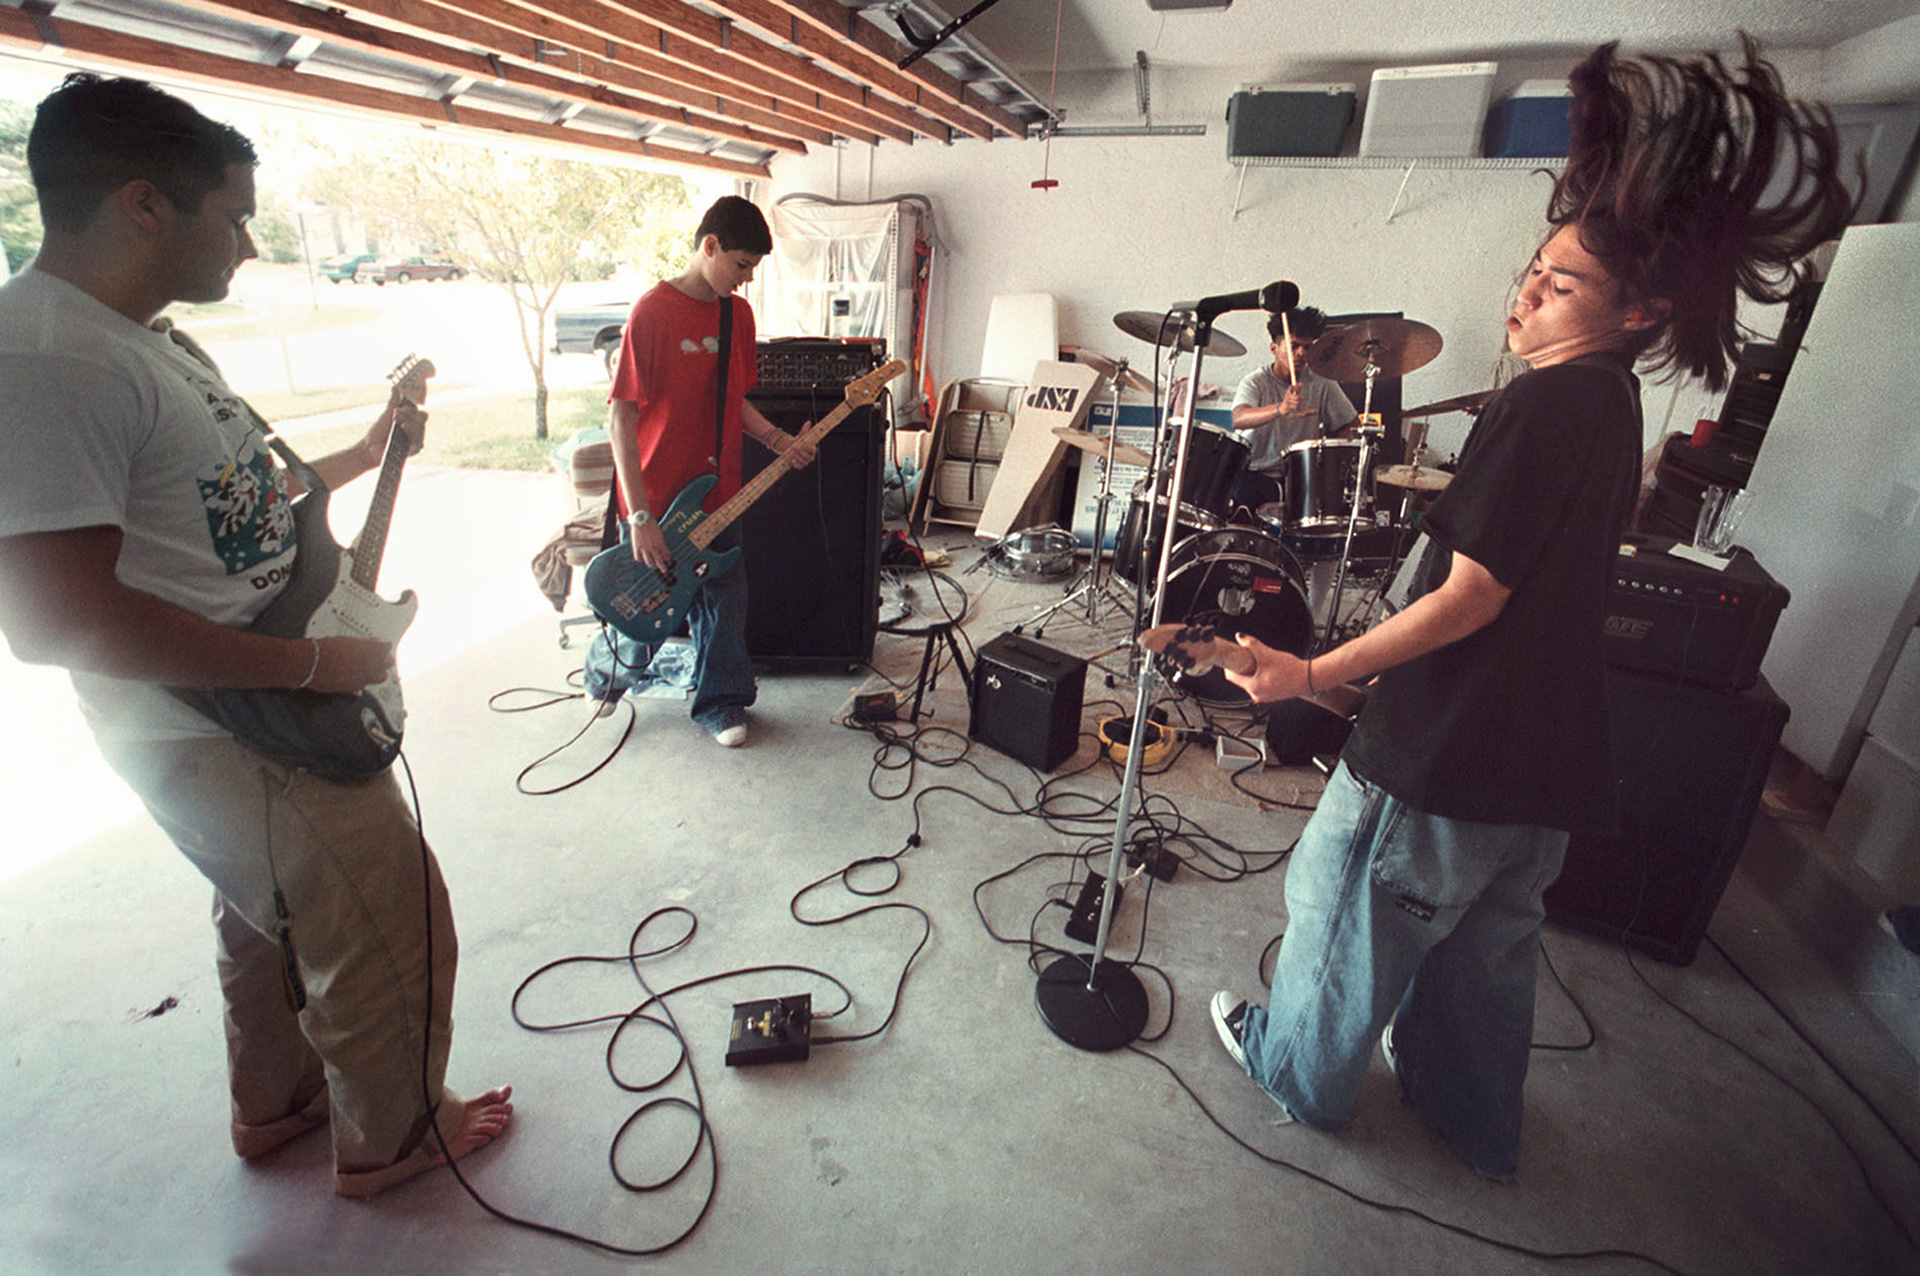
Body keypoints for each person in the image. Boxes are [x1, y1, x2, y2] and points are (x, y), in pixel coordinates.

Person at [1207, 38, 1853, 1181]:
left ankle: (1293, 1073)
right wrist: (1358, 673)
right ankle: (1467, 1117)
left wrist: (1311, 675)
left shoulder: (1546, 405)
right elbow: (1520, 605)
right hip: (1543, 769)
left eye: (1559, 286)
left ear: (1642, 309)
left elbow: (1468, 598)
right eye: (1532, 271)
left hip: (1443, 766)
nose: (1525, 296)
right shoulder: (1612, 411)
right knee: (1479, 967)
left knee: (1338, 915)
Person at [0, 74, 512, 1197]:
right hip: (227, 723)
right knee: (388, 918)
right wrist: (318, 665)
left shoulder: (139, 336)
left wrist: (376, 445)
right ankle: (397, 1140)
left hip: (250, 707)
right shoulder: (49, 357)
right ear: (144, 203)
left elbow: (228, 502)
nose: (247, 239)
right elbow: (54, 623)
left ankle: (276, 1104)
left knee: (273, 915)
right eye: (231, 215)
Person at [581, 196, 815, 746]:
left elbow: (731, 401)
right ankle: (604, 676)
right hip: (655, 497)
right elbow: (620, 417)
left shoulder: (739, 316)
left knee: (724, 601)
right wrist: (639, 514)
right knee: (646, 608)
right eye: (740, 264)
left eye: (754, 268)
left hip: (718, 493)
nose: (747, 279)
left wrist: (778, 440)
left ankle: (721, 703)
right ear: (709, 247)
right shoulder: (652, 312)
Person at [1228, 306, 1360, 512]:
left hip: (1299, 477)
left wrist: (1328, 459)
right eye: (1294, 346)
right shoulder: (1255, 382)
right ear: (1274, 348)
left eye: (1307, 348)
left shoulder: (1322, 382)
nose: (1301, 353)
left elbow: (1350, 424)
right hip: (1254, 474)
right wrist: (1280, 408)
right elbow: (1239, 417)